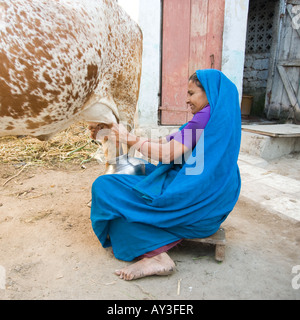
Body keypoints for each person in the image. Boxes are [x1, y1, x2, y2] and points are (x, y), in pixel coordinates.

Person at [89, 69, 241, 281]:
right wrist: (128, 136)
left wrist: (129, 138)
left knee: (104, 188)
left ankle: (157, 256)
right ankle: (156, 255)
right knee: (136, 171)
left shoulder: (204, 117)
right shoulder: (219, 118)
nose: (187, 100)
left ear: (209, 94)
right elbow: (168, 145)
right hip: (211, 211)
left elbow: (168, 154)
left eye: (191, 93)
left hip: (193, 203)